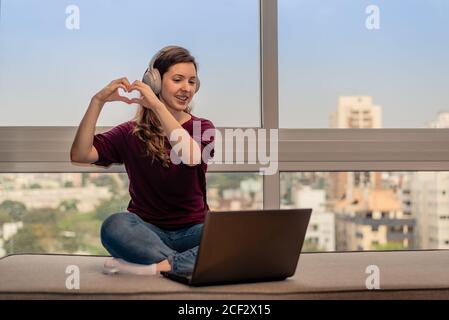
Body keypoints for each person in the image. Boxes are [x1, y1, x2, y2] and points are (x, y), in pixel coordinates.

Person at [70, 45, 215, 275]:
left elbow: (190, 156)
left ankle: (152, 268)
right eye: (177, 80)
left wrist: (157, 105)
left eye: (191, 81)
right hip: (147, 232)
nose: (186, 88)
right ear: (154, 84)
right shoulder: (131, 132)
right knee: (115, 225)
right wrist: (96, 101)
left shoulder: (203, 127)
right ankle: (184, 264)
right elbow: (80, 154)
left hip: (194, 231)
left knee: (238, 236)